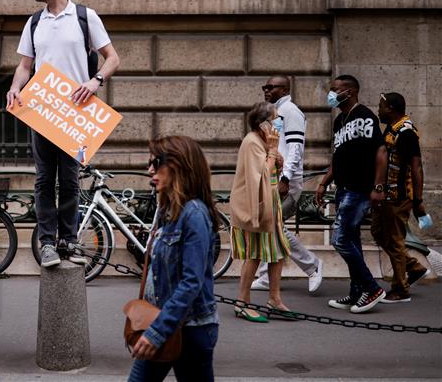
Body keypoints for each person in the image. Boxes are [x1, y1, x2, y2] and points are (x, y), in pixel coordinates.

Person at [6, 0, 120, 267]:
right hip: (42, 111)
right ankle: (46, 244)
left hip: (75, 113)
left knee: (70, 180)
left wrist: (95, 81)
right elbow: (24, 66)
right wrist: (16, 87)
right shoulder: (34, 22)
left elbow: (112, 58)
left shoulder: (85, 16)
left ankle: (69, 240)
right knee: (44, 180)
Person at [128, 136, 220, 382]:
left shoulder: (194, 215)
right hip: (163, 323)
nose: (150, 170)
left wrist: (157, 332)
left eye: (156, 163)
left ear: (178, 165)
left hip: (190, 331)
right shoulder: (167, 209)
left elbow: (192, 282)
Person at [316, 75, 386, 314]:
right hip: (343, 188)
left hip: (359, 189)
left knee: (341, 239)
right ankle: (358, 292)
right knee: (351, 239)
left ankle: (372, 288)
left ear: (351, 91)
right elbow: (338, 157)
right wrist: (324, 183)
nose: (332, 94)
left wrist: (378, 187)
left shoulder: (365, 116)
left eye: (336, 90)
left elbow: (380, 152)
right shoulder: (339, 121)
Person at [251, 76, 323, 293]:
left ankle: (312, 265)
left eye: (270, 87)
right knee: (269, 226)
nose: (266, 90)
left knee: (274, 226)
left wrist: (285, 180)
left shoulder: (290, 111)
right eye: (265, 86)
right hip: (274, 179)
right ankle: (265, 277)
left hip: (286, 182)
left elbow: (295, 149)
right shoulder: (277, 112)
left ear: (284, 89)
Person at [230, 102, 291, 323]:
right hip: (257, 207)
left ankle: (274, 299)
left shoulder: (264, 141)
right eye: (275, 119)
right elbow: (260, 176)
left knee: (277, 251)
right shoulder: (251, 142)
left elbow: (272, 170)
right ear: (262, 124)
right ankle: (242, 302)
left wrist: (274, 153)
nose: (279, 123)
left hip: (270, 204)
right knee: (254, 254)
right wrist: (273, 152)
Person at [371, 92, 430, 303]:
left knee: (395, 241)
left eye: (381, 106)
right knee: (378, 233)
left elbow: (416, 168)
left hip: (399, 197)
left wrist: (418, 201)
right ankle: (414, 267)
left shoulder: (407, 133)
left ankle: (400, 289)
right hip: (385, 195)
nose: (378, 110)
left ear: (391, 109)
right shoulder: (392, 129)